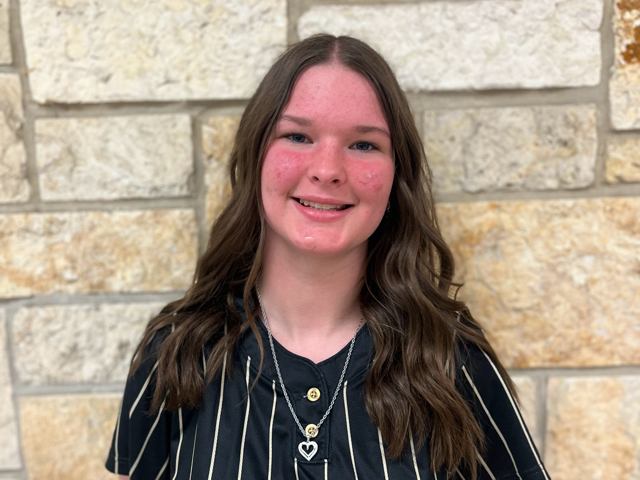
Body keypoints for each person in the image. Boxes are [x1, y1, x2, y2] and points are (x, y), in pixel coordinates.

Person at [105, 34, 551, 480]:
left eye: (364, 145)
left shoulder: (450, 356)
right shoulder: (176, 350)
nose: (327, 170)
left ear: (396, 176)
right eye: (298, 136)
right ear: (256, 156)